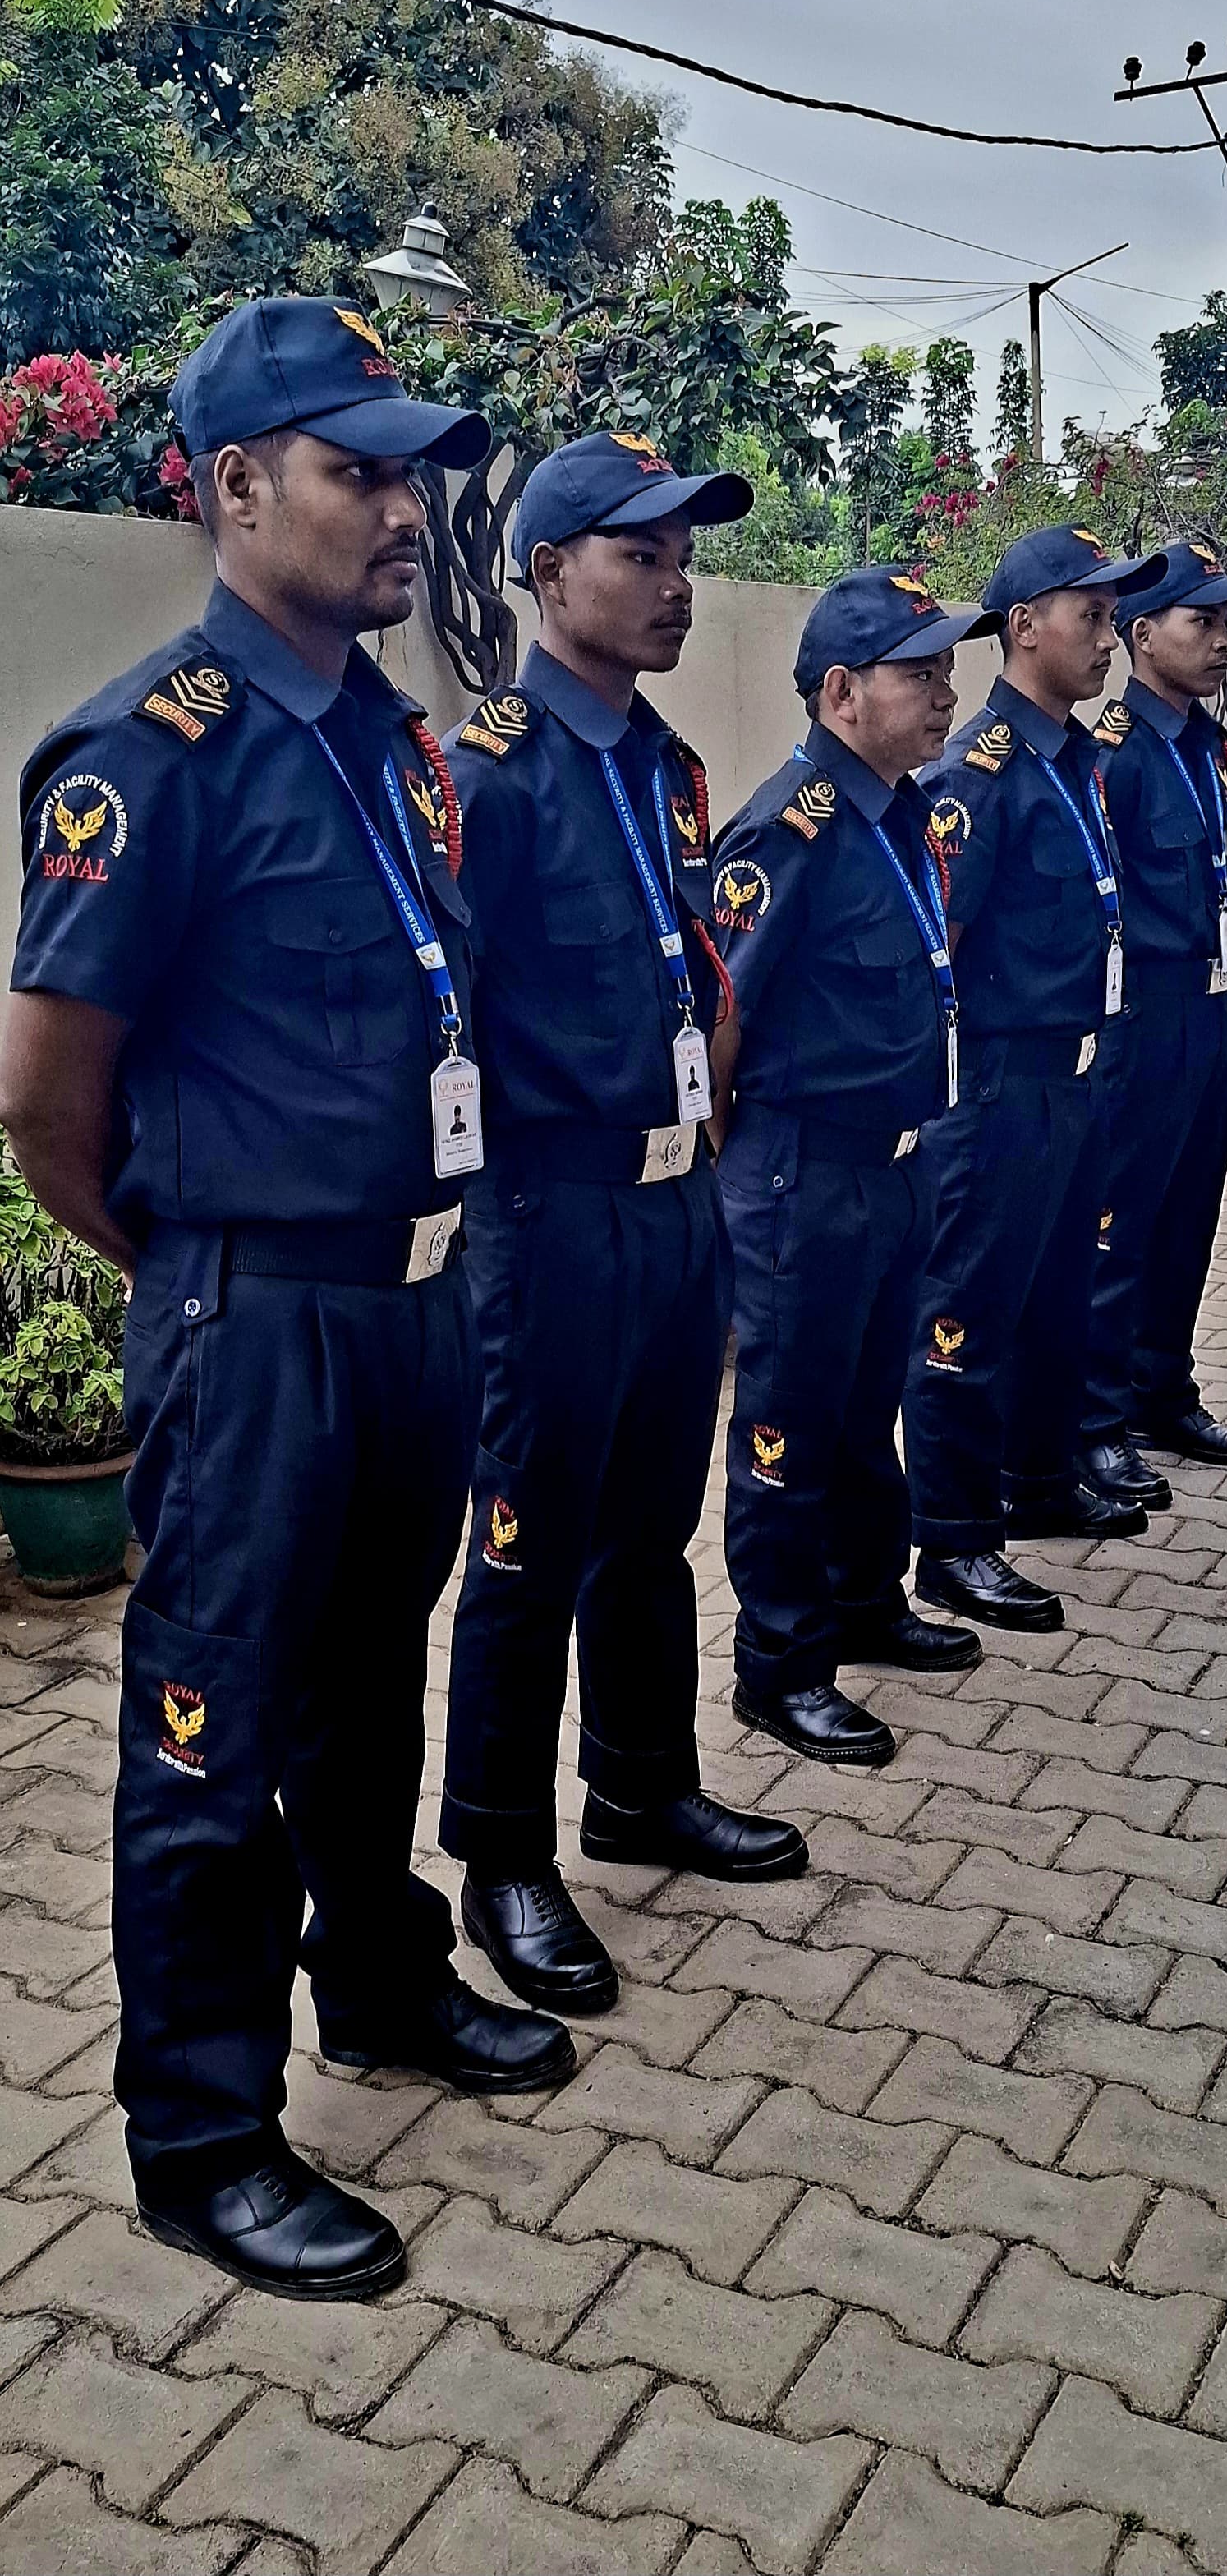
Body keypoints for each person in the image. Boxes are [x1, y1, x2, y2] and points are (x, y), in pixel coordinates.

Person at [0, 297, 577, 2306]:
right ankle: (201, 2133)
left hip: (413, 1304)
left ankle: (383, 1985)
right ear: (237, 485)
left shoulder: (390, 744)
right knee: (211, 1725)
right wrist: (195, 1268)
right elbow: (45, 1099)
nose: (403, 507)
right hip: (256, 1319)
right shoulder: (147, 756)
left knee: (364, 1685)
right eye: (357, 469)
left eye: (412, 472)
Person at [439, 430, 808, 2022]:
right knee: (526, 1544)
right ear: (547, 570)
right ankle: (502, 1854)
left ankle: (641, 1782)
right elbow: (444, 1018)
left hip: (674, 1197)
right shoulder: (486, 770)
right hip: (549, 1207)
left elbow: (696, 975)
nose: (677, 584)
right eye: (640, 553)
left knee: (650, 1524)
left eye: (683, 556)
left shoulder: (664, 766)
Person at [708, 569, 999, 1765]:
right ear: (841, 693)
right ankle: (779, 1665)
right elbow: (721, 1027)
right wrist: (748, 1178)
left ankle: (868, 1599)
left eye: (947, 669)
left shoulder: (904, 814)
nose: (946, 693)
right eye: (918, 673)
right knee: (790, 1425)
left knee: (869, 1406)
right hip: (804, 1175)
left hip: (897, 1165)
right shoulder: (791, 831)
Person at [904, 523, 1165, 1626]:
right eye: (1091, 616)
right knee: (966, 1316)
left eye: (1113, 616)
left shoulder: (1078, 763)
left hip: (1076, 1078)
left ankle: (1040, 1479)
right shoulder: (978, 777)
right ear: (1023, 627)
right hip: (999, 1086)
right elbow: (943, 954)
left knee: (1058, 1294)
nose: (1109, 637)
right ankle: (954, 1539)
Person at [1078, 539, 1227, 1485]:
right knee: (1122, 1223)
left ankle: (1164, 1389)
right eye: (1205, 620)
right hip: (1146, 1017)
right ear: (1143, 634)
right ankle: (1096, 1414)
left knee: (1191, 1212)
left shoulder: (1206, 745)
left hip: (1213, 1008)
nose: (1223, 638)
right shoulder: (1112, 757)